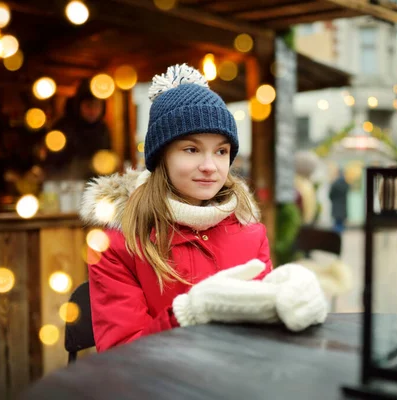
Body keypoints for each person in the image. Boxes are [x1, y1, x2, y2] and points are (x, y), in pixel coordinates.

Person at [79, 64, 327, 351]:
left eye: (221, 151)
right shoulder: (118, 245)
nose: (210, 167)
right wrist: (188, 313)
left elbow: (263, 338)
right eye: (191, 149)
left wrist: (293, 304)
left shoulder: (250, 232)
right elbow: (120, 355)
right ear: (162, 157)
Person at [44, 78, 111, 181]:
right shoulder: (63, 127)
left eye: (97, 106)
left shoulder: (102, 129)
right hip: (65, 184)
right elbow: (52, 163)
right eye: (88, 106)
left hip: (95, 186)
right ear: (79, 105)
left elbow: (106, 158)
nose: (93, 111)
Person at [329, 169, 349, 233]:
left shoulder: (334, 184)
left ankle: (336, 236)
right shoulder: (346, 184)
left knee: (336, 224)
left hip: (336, 206)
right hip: (343, 206)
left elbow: (330, 195)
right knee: (341, 224)